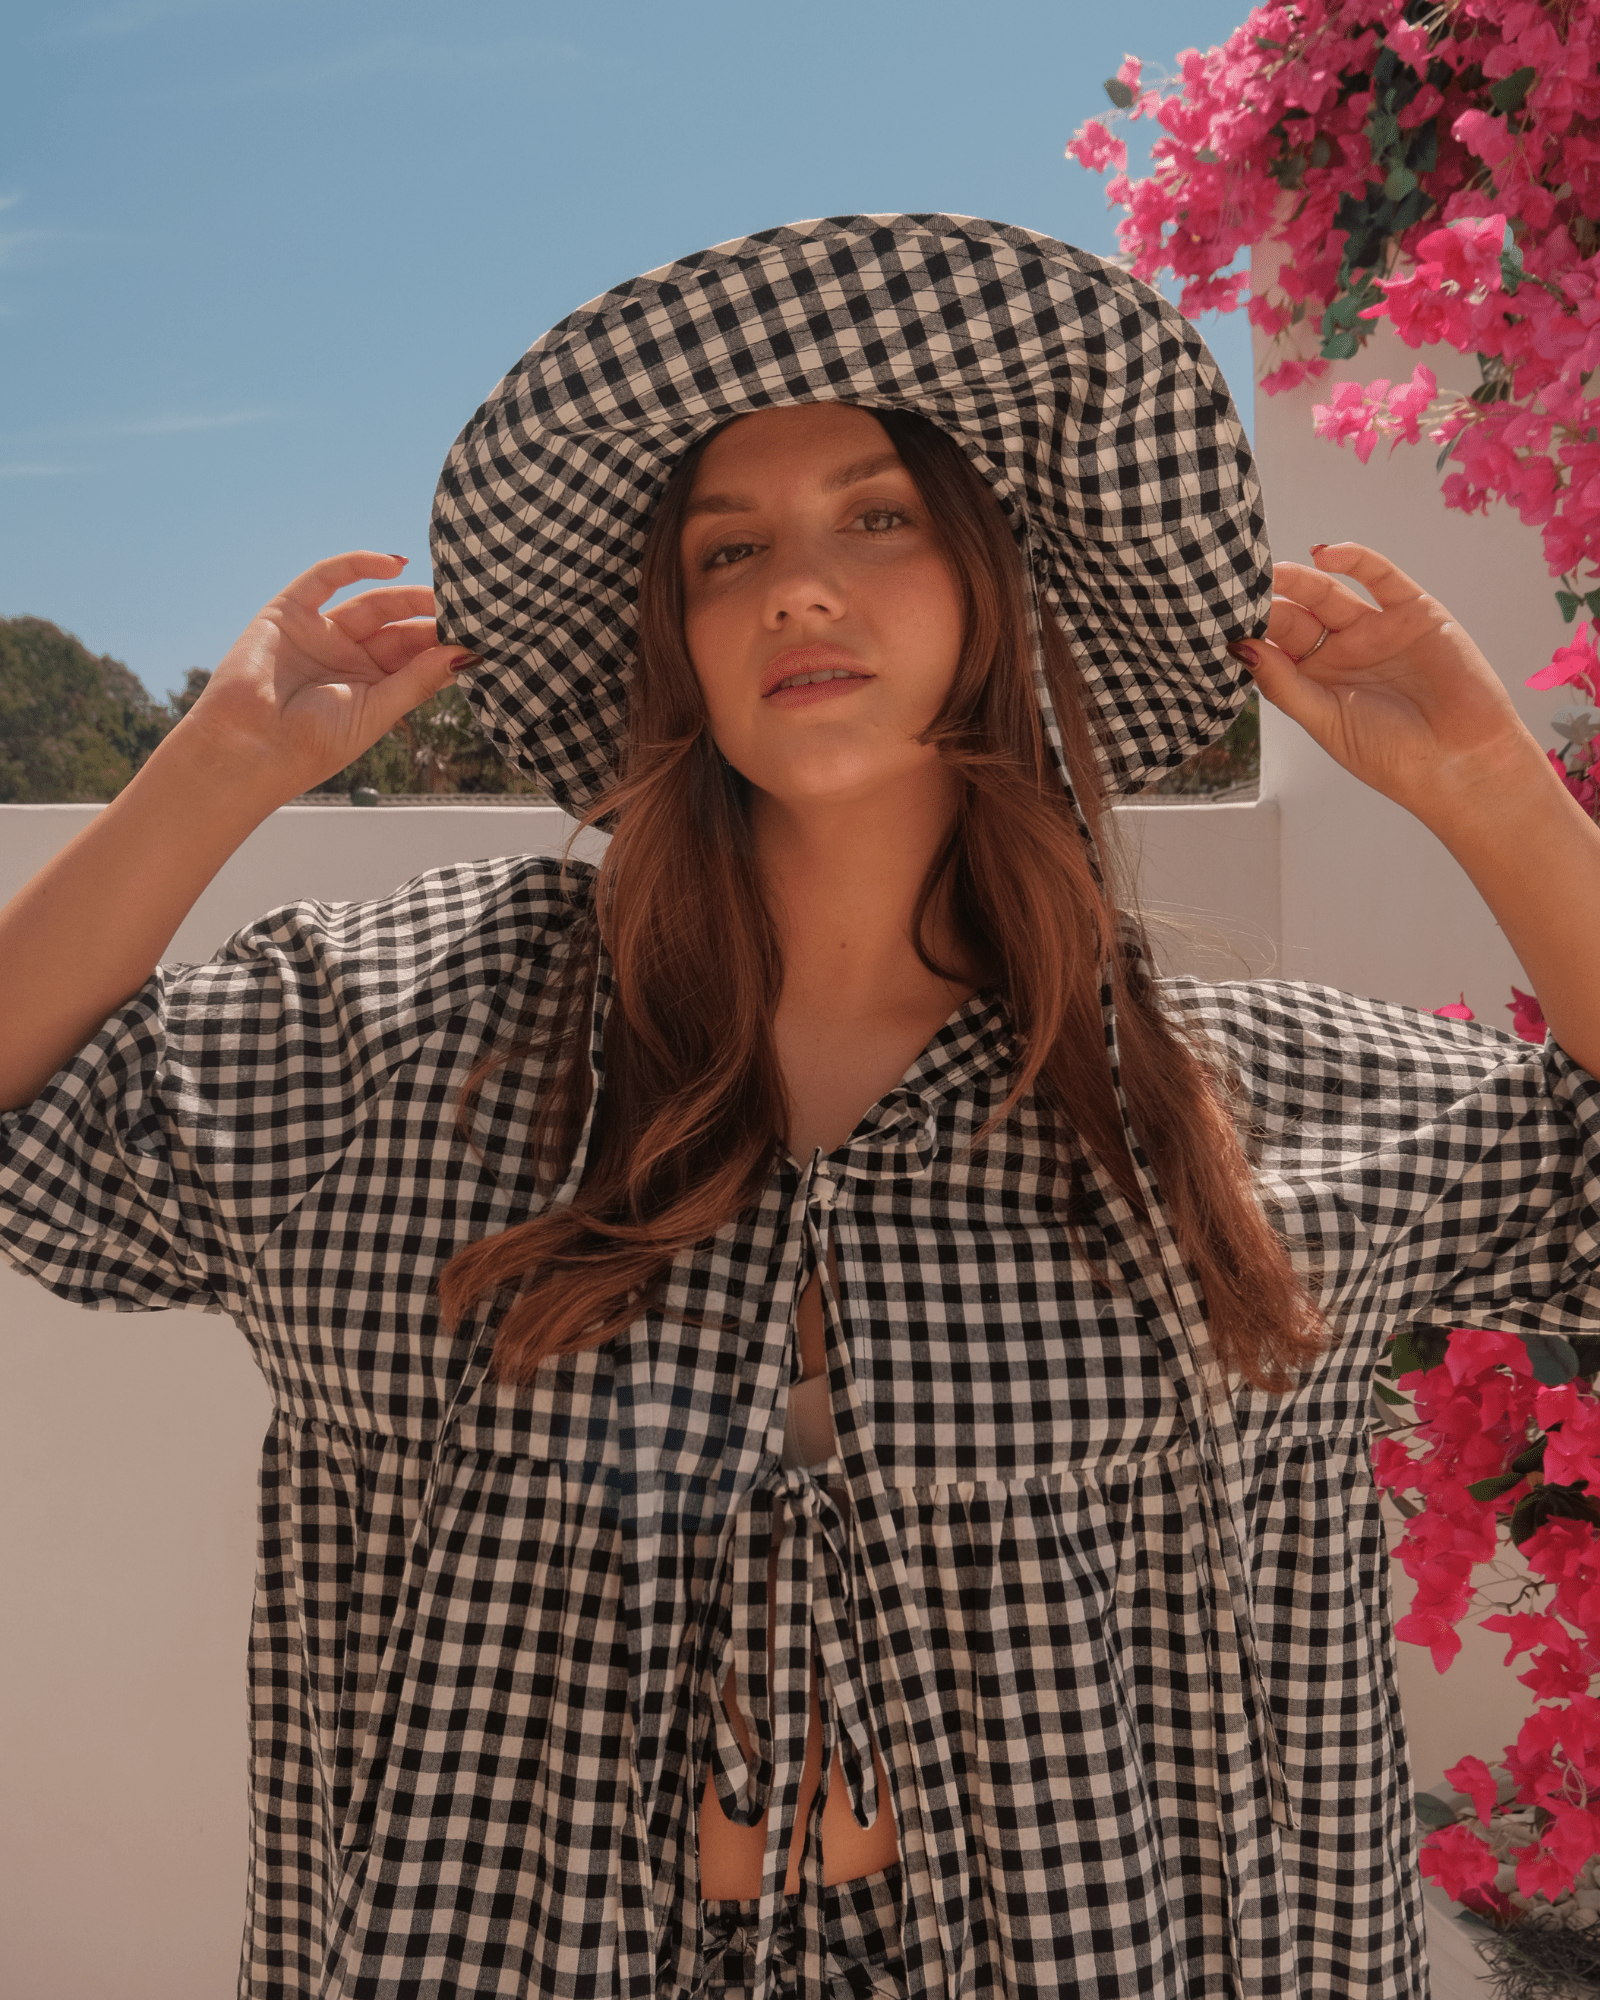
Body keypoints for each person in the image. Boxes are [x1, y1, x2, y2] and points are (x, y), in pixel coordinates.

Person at [3, 214, 1599, 2000]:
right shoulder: (407, 1035)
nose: (799, 587)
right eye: (727, 550)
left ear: (995, 581)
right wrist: (217, 766)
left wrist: (1492, 797)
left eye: (879, 517)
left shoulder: (1252, 1107)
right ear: (671, 639)